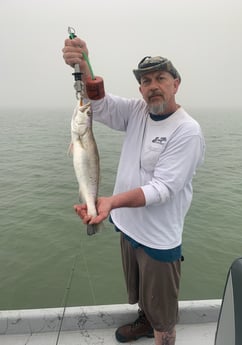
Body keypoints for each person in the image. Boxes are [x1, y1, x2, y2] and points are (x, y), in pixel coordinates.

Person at [63, 37, 205, 345]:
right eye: (145, 81)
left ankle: (161, 333)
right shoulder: (138, 111)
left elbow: (162, 189)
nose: (153, 85)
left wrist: (111, 202)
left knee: (163, 311)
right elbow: (99, 105)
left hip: (158, 238)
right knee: (142, 291)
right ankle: (144, 320)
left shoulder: (187, 130)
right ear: (140, 89)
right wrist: (84, 64)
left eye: (160, 78)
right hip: (128, 227)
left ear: (176, 84)